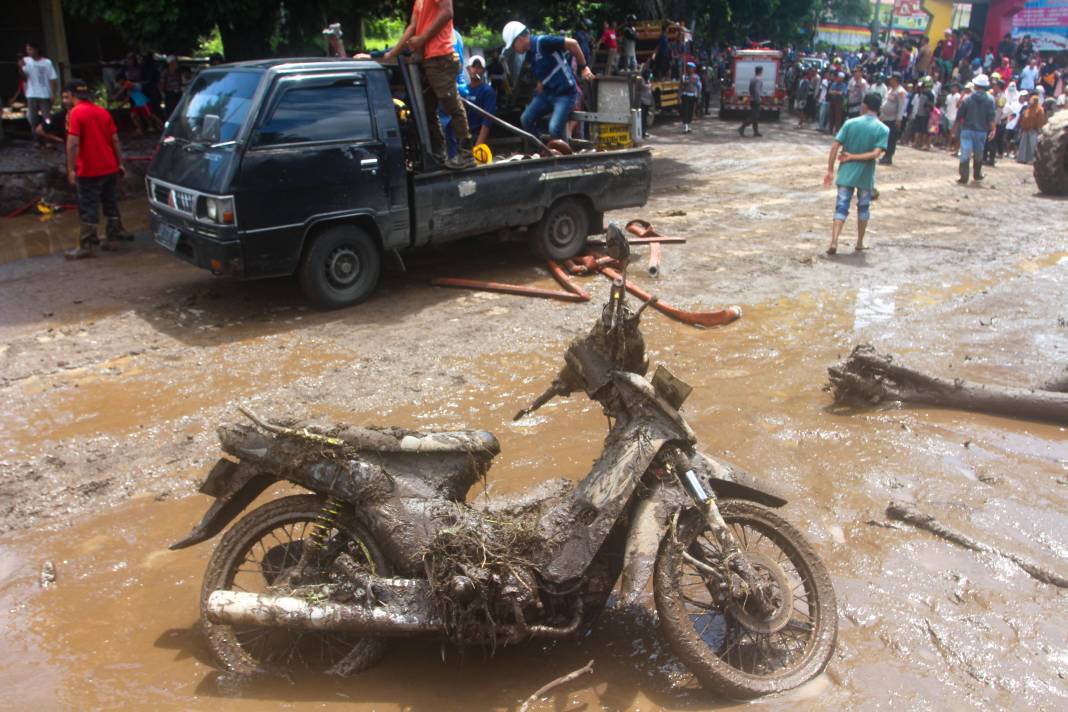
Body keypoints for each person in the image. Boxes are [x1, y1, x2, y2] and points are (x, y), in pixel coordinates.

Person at [63, 79, 132, 260]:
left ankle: (86, 245)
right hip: (109, 166)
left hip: (89, 170)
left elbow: (72, 144)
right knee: (110, 201)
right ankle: (114, 236)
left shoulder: (76, 113)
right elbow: (115, 140)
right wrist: (120, 163)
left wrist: (70, 169)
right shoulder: (102, 112)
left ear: (71, 95)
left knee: (88, 205)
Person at [502, 21, 594, 140]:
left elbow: (573, 43)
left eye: (513, 45)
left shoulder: (543, 42)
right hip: (548, 94)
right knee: (526, 119)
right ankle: (543, 150)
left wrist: (583, 67)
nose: (514, 49)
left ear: (519, 39)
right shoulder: (529, 54)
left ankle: (562, 155)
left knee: (554, 128)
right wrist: (541, 83)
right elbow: (544, 68)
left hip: (564, 94)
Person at [823, 92, 889, 255]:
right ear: (878, 108)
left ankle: (834, 241)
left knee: (841, 207)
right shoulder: (883, 129)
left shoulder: (850, 123)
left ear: (864, 106)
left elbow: (834, 147)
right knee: (864, 208)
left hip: (846, 173)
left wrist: (830, 170)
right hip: (865, 176)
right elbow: (875, 154)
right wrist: (856, 157)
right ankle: (859, 242)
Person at [956, 73, 996, 184]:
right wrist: (993, 129)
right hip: (981, 131)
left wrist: (954, 127)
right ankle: (977, 174)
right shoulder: (990, 100)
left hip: (967, 130)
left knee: (965, 152)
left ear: (976, 85)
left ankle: (964, 176)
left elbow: (960, 114)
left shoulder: (968, 99)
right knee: (979, 152)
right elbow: (991, 116)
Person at [21, 41, 58, 148]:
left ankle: (47, 139)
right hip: (32, 93)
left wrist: (53, 93)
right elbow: (24, 78)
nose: (29, 52)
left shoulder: (47, 62)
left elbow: (52, 79)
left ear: (36, 49)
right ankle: (36, 139)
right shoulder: (26, 61)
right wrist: (20, 67)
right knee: (33, 118)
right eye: (27, 49)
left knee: (46, 118)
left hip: (44, 94)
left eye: (30, 49)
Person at [463, 55, 496, 147]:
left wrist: (479, 144)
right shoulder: (463, 90)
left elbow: (487, 120)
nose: (476, 70)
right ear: (468, 69)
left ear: (484, 71)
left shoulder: (488, 91)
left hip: (478, 135)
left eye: (479, 67)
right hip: (464, 135)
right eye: (473, 67)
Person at [878, 73, 906, 166]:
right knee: (885, 137)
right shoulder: (890, 90)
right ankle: (885, 154)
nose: (890, 80)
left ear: (896, 79)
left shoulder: (900, 91)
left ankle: (888, 157)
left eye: (892, 79)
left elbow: (901, 106)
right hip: (885, 118)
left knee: (891, 139)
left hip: (893, 119)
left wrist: (899, 119)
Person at [1016, 92, 1046, 163]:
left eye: (1032, 100)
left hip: (1034, 130)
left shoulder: (1039, 110)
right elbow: (1024, 118)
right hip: (1026, 129)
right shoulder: (1029, 109)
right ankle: (1022, 158)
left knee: (1032, 145)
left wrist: (1038, 129)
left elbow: (1040, 120)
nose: (1030, 101)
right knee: (1024, 144)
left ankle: (1031, 159)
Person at [738, 65, 763, 137]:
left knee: (755, 116)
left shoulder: (753, 79)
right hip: (756, 100)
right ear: (761, 71)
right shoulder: (759, 79)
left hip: (752, 99)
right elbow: (757, 90)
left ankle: (756, 132)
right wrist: (758, 98)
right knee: (754, 116)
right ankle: (742, 127)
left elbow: (751, 89)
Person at [680, 61, 701, 133]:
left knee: (690, 111)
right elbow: (680, 87)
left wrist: (698, 96)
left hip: (692, 96)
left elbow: (699, 87)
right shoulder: (684, 76)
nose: (689, 69)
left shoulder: (696, 77)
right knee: (685, 111)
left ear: (694, 69)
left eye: (691, 68)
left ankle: (688, 125)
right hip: (685, 95)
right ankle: (685, 126)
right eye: (688, 68)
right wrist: (678, 96)